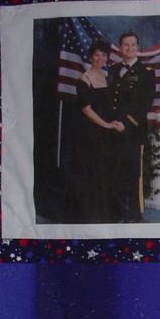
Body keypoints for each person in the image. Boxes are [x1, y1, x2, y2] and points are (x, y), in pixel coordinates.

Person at [68, 40, 125, 222]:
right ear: (90, 57)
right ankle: (92, 215)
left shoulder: (106, 76)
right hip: (90, 131)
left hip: (106, 130)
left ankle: (106, 213)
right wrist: (106, 125)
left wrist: (113, 122)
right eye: (96, 55)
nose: (100, 58)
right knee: (93, 171)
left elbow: (109, 105)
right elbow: (87, 110)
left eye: (103, 55)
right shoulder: (84, 79)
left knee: (106, 170)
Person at [108, 31, 155, 222]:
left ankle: (133, 215)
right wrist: (110, 122)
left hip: (132, 130)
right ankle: (116, 213)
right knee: (114, 171)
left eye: (133, 44)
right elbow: (109, 100)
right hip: (112, 129)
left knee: (132, 173)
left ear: (138, 47)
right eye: (126, 45)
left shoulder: (146, 72)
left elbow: (145, 104)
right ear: (120, 48)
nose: (130, 48)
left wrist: (125, 123)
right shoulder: (113, 69)